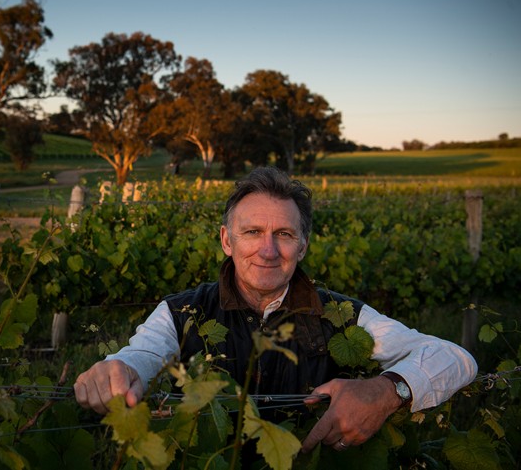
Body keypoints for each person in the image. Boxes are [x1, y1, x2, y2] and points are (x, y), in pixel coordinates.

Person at [74, 166, 477, 455]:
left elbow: (456, 358)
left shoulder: (341, 315)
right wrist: (121, 371)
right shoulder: (182, 312)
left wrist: (387, 390)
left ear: (302, 246)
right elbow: (141, 355)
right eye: (252, 232)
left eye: (283, 234)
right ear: (226, 240)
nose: (268, 250)